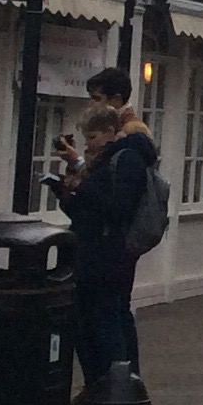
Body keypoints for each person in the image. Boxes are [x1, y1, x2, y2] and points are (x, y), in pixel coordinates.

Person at [50, 102, 155, 389]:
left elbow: (118, 209)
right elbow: (87, 210)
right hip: (91, 251)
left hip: (108, 255)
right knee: (90, 325)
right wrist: (65, 195)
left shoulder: (127, 159)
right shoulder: (105, 160)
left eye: (93, 137)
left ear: (110, 131)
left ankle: (118, 391)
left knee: (108, 324)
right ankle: (99, 387)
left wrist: (82, 189)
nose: (89, 144)